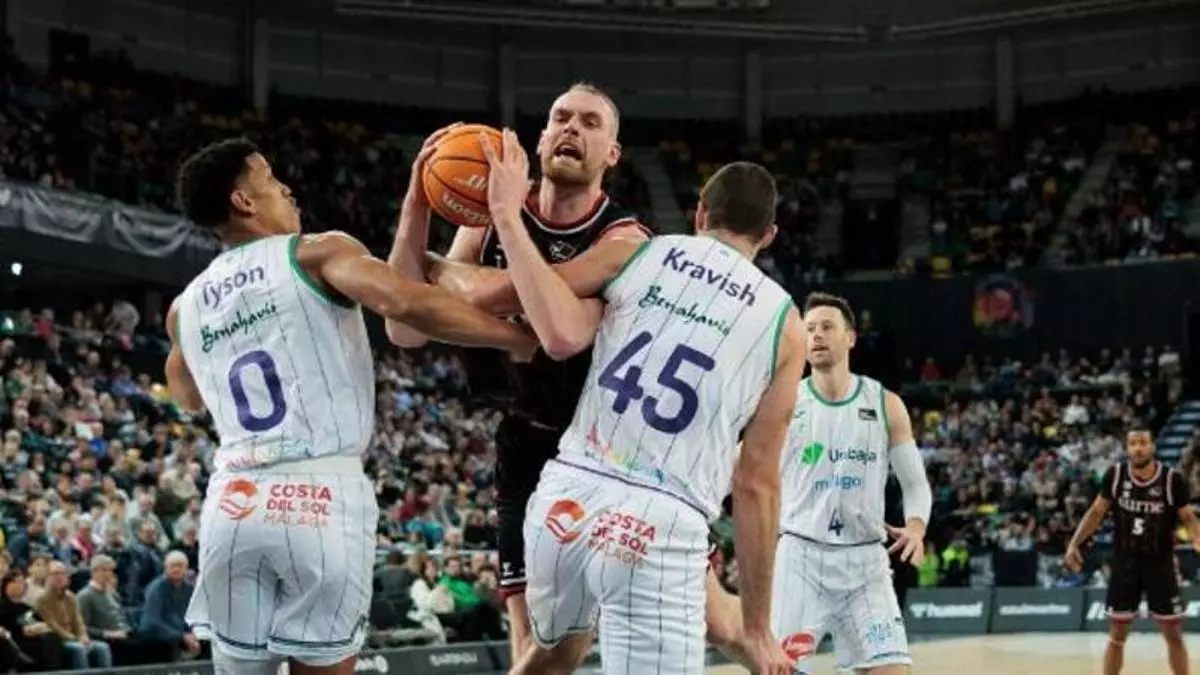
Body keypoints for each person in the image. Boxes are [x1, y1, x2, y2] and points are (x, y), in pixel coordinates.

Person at [386, 83, 760, 672]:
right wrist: (418, 205)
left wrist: (444, 278)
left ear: (612, 152)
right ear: (539, 139)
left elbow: (547, 327)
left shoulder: (624, 239)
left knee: (722, 624)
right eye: (561, 117)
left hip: (613, 452)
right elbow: (406, 329)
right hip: (526, 443)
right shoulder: (490, 214)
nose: (571, 129)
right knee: (536, 642)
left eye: (589, 122)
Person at [166, 138, 537, 675]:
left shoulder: (184, 307)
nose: (287, 189)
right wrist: (519, 339)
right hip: (319, 493)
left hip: (233, 504)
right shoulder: (317, 252)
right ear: (244, 201)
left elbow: (187, 396)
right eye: (270, 179)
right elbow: (406, 303)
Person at [483, 150, 802, 675]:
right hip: (657, 524)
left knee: (553, 655)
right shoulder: (785, 325)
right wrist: (759, 626)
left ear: (701, 213)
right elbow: (755, 484)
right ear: (768, 236)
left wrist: (461, 255)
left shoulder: (638, 252)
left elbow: (522, 290)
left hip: (564, 495)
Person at [772, 292, 932, 675]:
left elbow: (915, 484)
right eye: (810, 329)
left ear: (850, 338)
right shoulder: (784, 403)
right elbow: (741, 463)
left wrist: (916, 526)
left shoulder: (885, 404)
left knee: (893, 671)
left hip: (865, 564)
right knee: (782, 670)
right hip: (801, 560)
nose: (816, 335)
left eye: (827, 327)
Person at [1065, 427, 1200, 675]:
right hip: (1125, 562)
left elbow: (1189, 518)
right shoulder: (1115, 475)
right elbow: (1096, 512)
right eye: (1133, 443)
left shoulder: (1171, 480)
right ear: (1127, 448)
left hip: (1160, 563)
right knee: (1117, 634)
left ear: (1152, 446)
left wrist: (1197, 539)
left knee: (1172, 632)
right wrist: (1074, 543)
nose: (1138, 448)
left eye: (1143, 443)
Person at [35, 561, 112, 669]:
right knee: (79, 649)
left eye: (63, 573)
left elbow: (78, 621)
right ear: (47, 577)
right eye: (55, 573)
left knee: (102, 648)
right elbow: (53, 626)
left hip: (75, 638)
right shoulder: (42, 599)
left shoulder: (71, 597)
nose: (60, 577)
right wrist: (75, 639)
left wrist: (83, 636)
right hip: (59, 641)